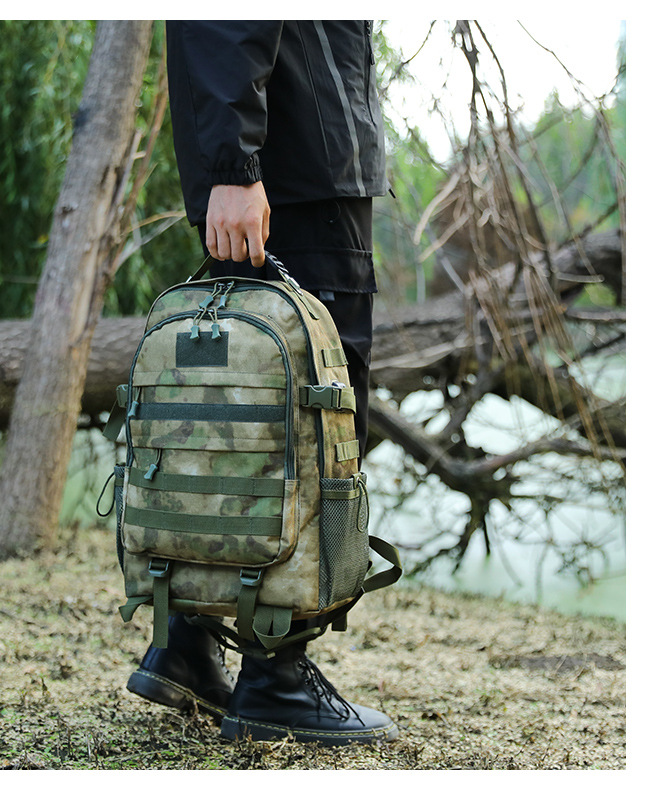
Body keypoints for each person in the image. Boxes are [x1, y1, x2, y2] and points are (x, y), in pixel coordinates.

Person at [126, 20, 398, 745]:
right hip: (300, 165)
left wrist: (233, 163)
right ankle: (276, 676)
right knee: (318, 425)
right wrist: (233, 166)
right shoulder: (263, 168)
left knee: (235, 420)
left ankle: (186, 636)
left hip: (283, 163)